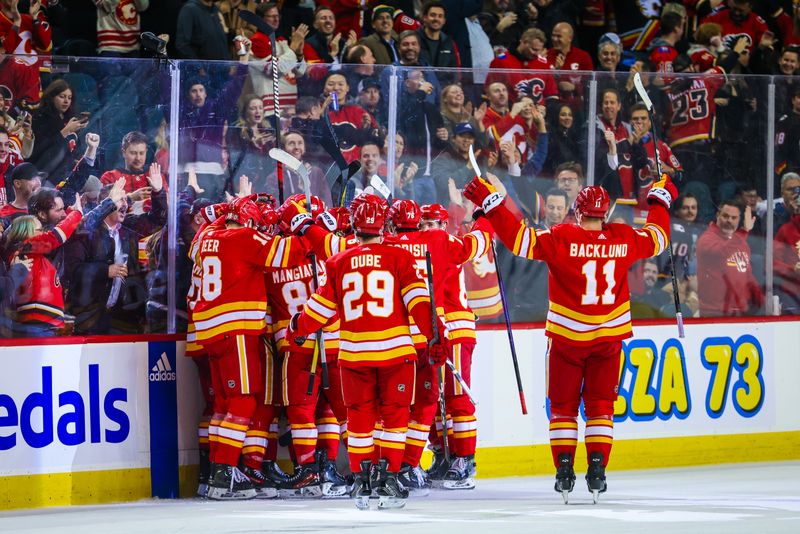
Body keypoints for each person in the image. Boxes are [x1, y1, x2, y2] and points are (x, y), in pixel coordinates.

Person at [463, 172, 675, 502]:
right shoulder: (623, 237)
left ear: (577, 211)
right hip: (608, 340)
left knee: (563, 408)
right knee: (601, 407)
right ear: (605, 213)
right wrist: (659, 198)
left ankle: (564, 471)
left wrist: (492, 204)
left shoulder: (561, 236)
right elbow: (660, 237)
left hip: (567, 339)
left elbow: (520, 241)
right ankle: (597, 470)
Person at [286, 197, 448, 510]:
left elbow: (319, 310)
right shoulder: (400, 258)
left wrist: (297, 326)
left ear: (354, 227)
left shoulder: (339, 261)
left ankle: (362, 480)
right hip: (395, 354)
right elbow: (419, 304)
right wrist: (435, 336)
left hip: (354, 356)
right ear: (385, 225)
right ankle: (387, 479)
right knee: (394, 418)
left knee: (359, 419)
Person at [190, 196, 304, 500]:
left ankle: (216, 472)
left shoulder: (206, 238)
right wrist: (304, 224)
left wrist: (227, 210)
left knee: (224, 405)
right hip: (235, 329)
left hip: (208, 333)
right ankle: (225, 472)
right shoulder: (244, 236)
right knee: (243, 401)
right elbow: (288, 254)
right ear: (251, 223)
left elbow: (197, 245)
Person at [2, 204, 82, 338]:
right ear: (26, 233)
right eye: (39, 230)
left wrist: (68, 212)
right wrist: (76, 214)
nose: (44, 233)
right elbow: (55, 236)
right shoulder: (25, 249)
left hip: (40, 324)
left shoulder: (31, 253)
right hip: (35, 324)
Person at [696, 200, 763, 317]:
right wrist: (744, 231)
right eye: (725, 216)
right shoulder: (706, 240)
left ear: (739, 220)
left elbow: (748, 276)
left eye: (734, 217)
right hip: (714, 312)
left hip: (740, 312)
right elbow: (723, 251)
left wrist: (763, 302)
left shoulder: (741, 243)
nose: (729, 221)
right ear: (718, 215)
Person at [29, 79, 88, 183]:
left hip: (65, 172)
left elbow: (74, 149)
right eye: (62, 97)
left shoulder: (69, 119)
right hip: (44, 174)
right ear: (51, 98)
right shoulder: (40, 117)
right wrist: (65, 131)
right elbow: (38, 149)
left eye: (69, 98)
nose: (66, 101)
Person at [485, 27, 558, 106]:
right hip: (510, 113)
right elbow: (489, 92)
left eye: (539, 50)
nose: (536, 54)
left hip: (538, 114)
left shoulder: (543, 64)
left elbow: (551, 94)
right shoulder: (501, 61)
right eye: (534, 49)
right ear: (523, 42)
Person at [416, 1, 460, 85]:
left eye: (440, 16)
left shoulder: (449, 42)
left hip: (443, 91)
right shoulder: (414, 39)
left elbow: (455, 72)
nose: (436, 19)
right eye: (433, 15)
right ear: (424, 17)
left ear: (444, 21)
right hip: (420, 89)